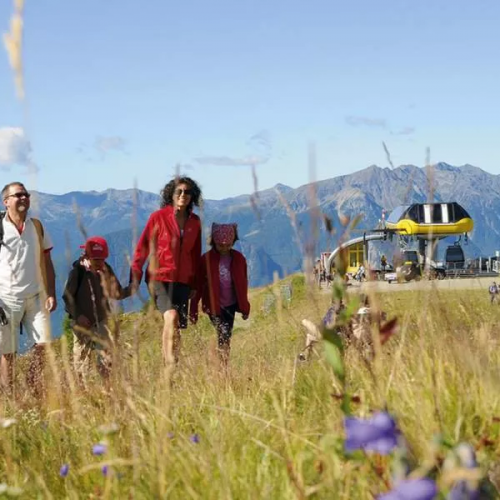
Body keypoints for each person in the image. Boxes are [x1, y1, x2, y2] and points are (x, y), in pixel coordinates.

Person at [130, 176, 202, 366]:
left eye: (187, 192)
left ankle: (172, 368)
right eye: (179, 191)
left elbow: (195, 254)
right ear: (171, 194)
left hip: (183, 281)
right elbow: (143, 247)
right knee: (171, 316)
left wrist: (194, 283)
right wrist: (136, 274)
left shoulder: (195, 222)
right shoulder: (158, 218)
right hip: (159, 277)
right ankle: (168, 366)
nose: (183, 195)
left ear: (192, 196)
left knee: (176, 326)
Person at [0, 182, 57, 396]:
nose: (24, 198)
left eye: (26, 194)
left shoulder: (37, 226)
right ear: (6, 202)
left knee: (44, 344)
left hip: (36, 296)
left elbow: (47, 260)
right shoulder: (0, 227)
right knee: (8, 353)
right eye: (18, 195)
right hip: (6, 299)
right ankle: (9, 397)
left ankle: (32, 385)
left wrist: (50, 291)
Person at [63, 236, 131, 388]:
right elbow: (67, 298)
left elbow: (117, 293)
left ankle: (107, 389)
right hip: (81, 323)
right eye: (96, 259)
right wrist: (78, 315)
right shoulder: (77, 273)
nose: (100, 263)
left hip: (101, 320)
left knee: (106, 359)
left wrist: (132, 289)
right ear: (87, 256)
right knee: (81, 362)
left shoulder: (107, 270)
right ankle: (82, 392)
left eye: (102, 259)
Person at [190, 223, 250, 368]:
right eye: (220, 245)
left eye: (228, 245)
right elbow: (197, 286)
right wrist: (193, 310)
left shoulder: (238, 259)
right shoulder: (206, 260)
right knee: (223, 332)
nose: (224, 248)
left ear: (233, 242)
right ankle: (222, 365)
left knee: (226, 335)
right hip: (213, 306)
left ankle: (223, 363)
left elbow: (243, 283)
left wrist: (245, 307)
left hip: (231, 305)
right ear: (214, 243)